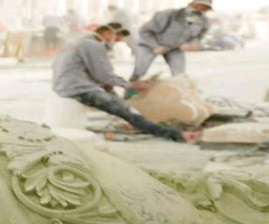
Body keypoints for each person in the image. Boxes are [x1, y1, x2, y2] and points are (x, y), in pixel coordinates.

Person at [54, 22, 185, 142]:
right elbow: (105, 75)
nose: (118, 41)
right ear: (107, 33)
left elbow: (91, 73)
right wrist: (131, 85)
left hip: (64, 86)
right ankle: (173, 134)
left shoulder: (77, 43)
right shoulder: (93, 45)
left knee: (117, 101)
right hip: (79, 89)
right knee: (127, 112)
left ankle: (134, 120)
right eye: (117, 38)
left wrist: (111, 88)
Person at [132, 0, 213, 80]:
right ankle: (132, 86)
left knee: (179, 74)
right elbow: (145, 31)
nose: (201, 9)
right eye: (199, 6)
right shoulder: (168, 14)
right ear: (190, 4)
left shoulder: (204, 21)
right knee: (140, 71)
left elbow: (198, 37)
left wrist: (193, 44)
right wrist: (155, 46)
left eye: (205, 8)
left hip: (174, 48)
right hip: (149, 45)